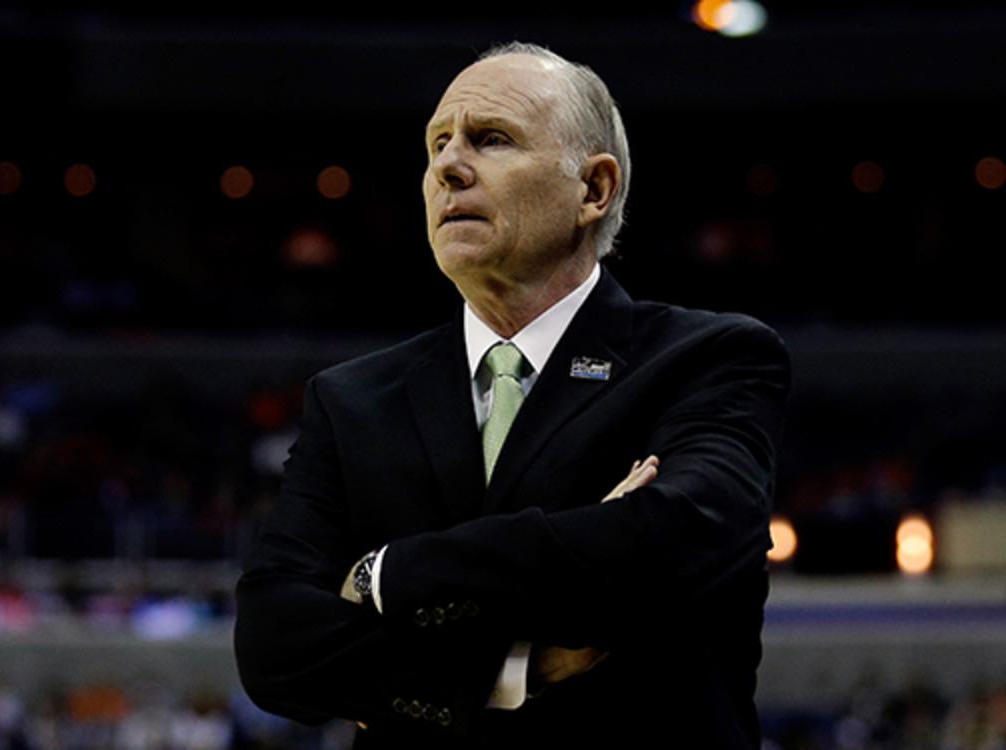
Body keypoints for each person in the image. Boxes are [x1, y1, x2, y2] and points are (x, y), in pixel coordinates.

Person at [235, 41, 790, 749]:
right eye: (437, 144)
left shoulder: (709, 358)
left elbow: (672, 542)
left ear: (594, 189)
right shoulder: (351, 400)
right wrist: (515, 668)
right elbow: (274, 645)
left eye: (491, 139)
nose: (449, 166)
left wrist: (390, 573)